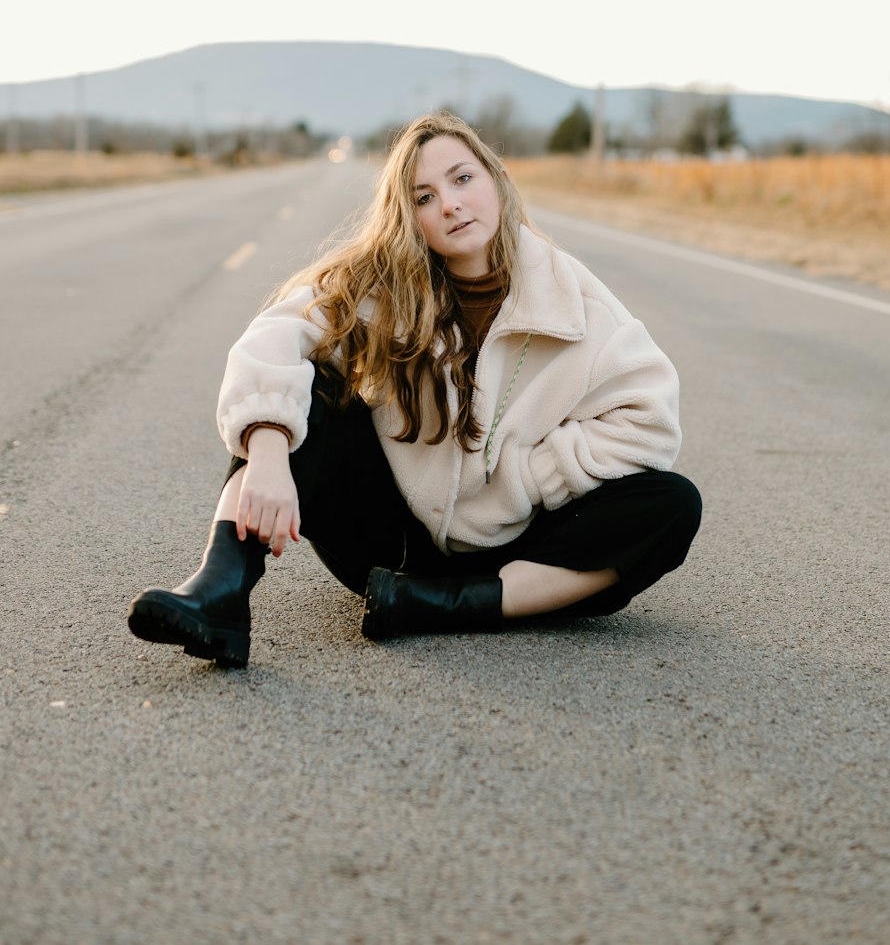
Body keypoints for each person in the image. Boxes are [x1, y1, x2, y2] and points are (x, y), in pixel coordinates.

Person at [127, 112, 701, 667]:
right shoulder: (379, 282)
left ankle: (442, 606)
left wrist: (530, 478)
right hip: (387, 542)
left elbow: (648, 418)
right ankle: (219, 588)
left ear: (496, 181)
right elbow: (273, 338)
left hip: (517, 550)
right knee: (308, 390)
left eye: (462, 179)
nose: (450, 204)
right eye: (424, 197)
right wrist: (270, 455)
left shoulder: (570, 297)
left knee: (671, 504)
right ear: (409, 218)